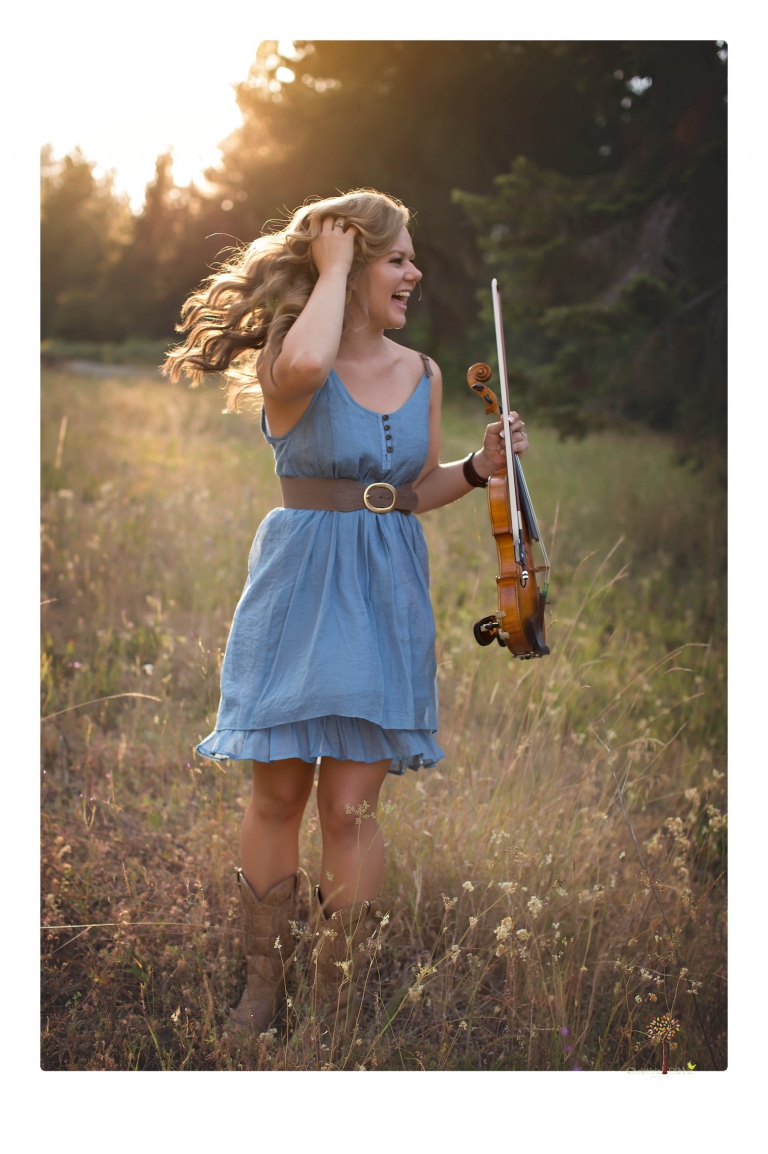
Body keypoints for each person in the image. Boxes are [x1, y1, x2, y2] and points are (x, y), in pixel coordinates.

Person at [164, 189, 528, 1041]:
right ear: (350, 265)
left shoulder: (426, 373)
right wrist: (329, 269)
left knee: (354, 807)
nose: (416, 271)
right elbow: (303, 372)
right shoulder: (291, 357)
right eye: (397, 257)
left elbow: (411, 494)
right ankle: (263, 986)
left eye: (411, 257)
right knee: (280, 790)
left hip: (384, 590)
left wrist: (476, 467)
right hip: (299, 585)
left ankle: (336, 993)